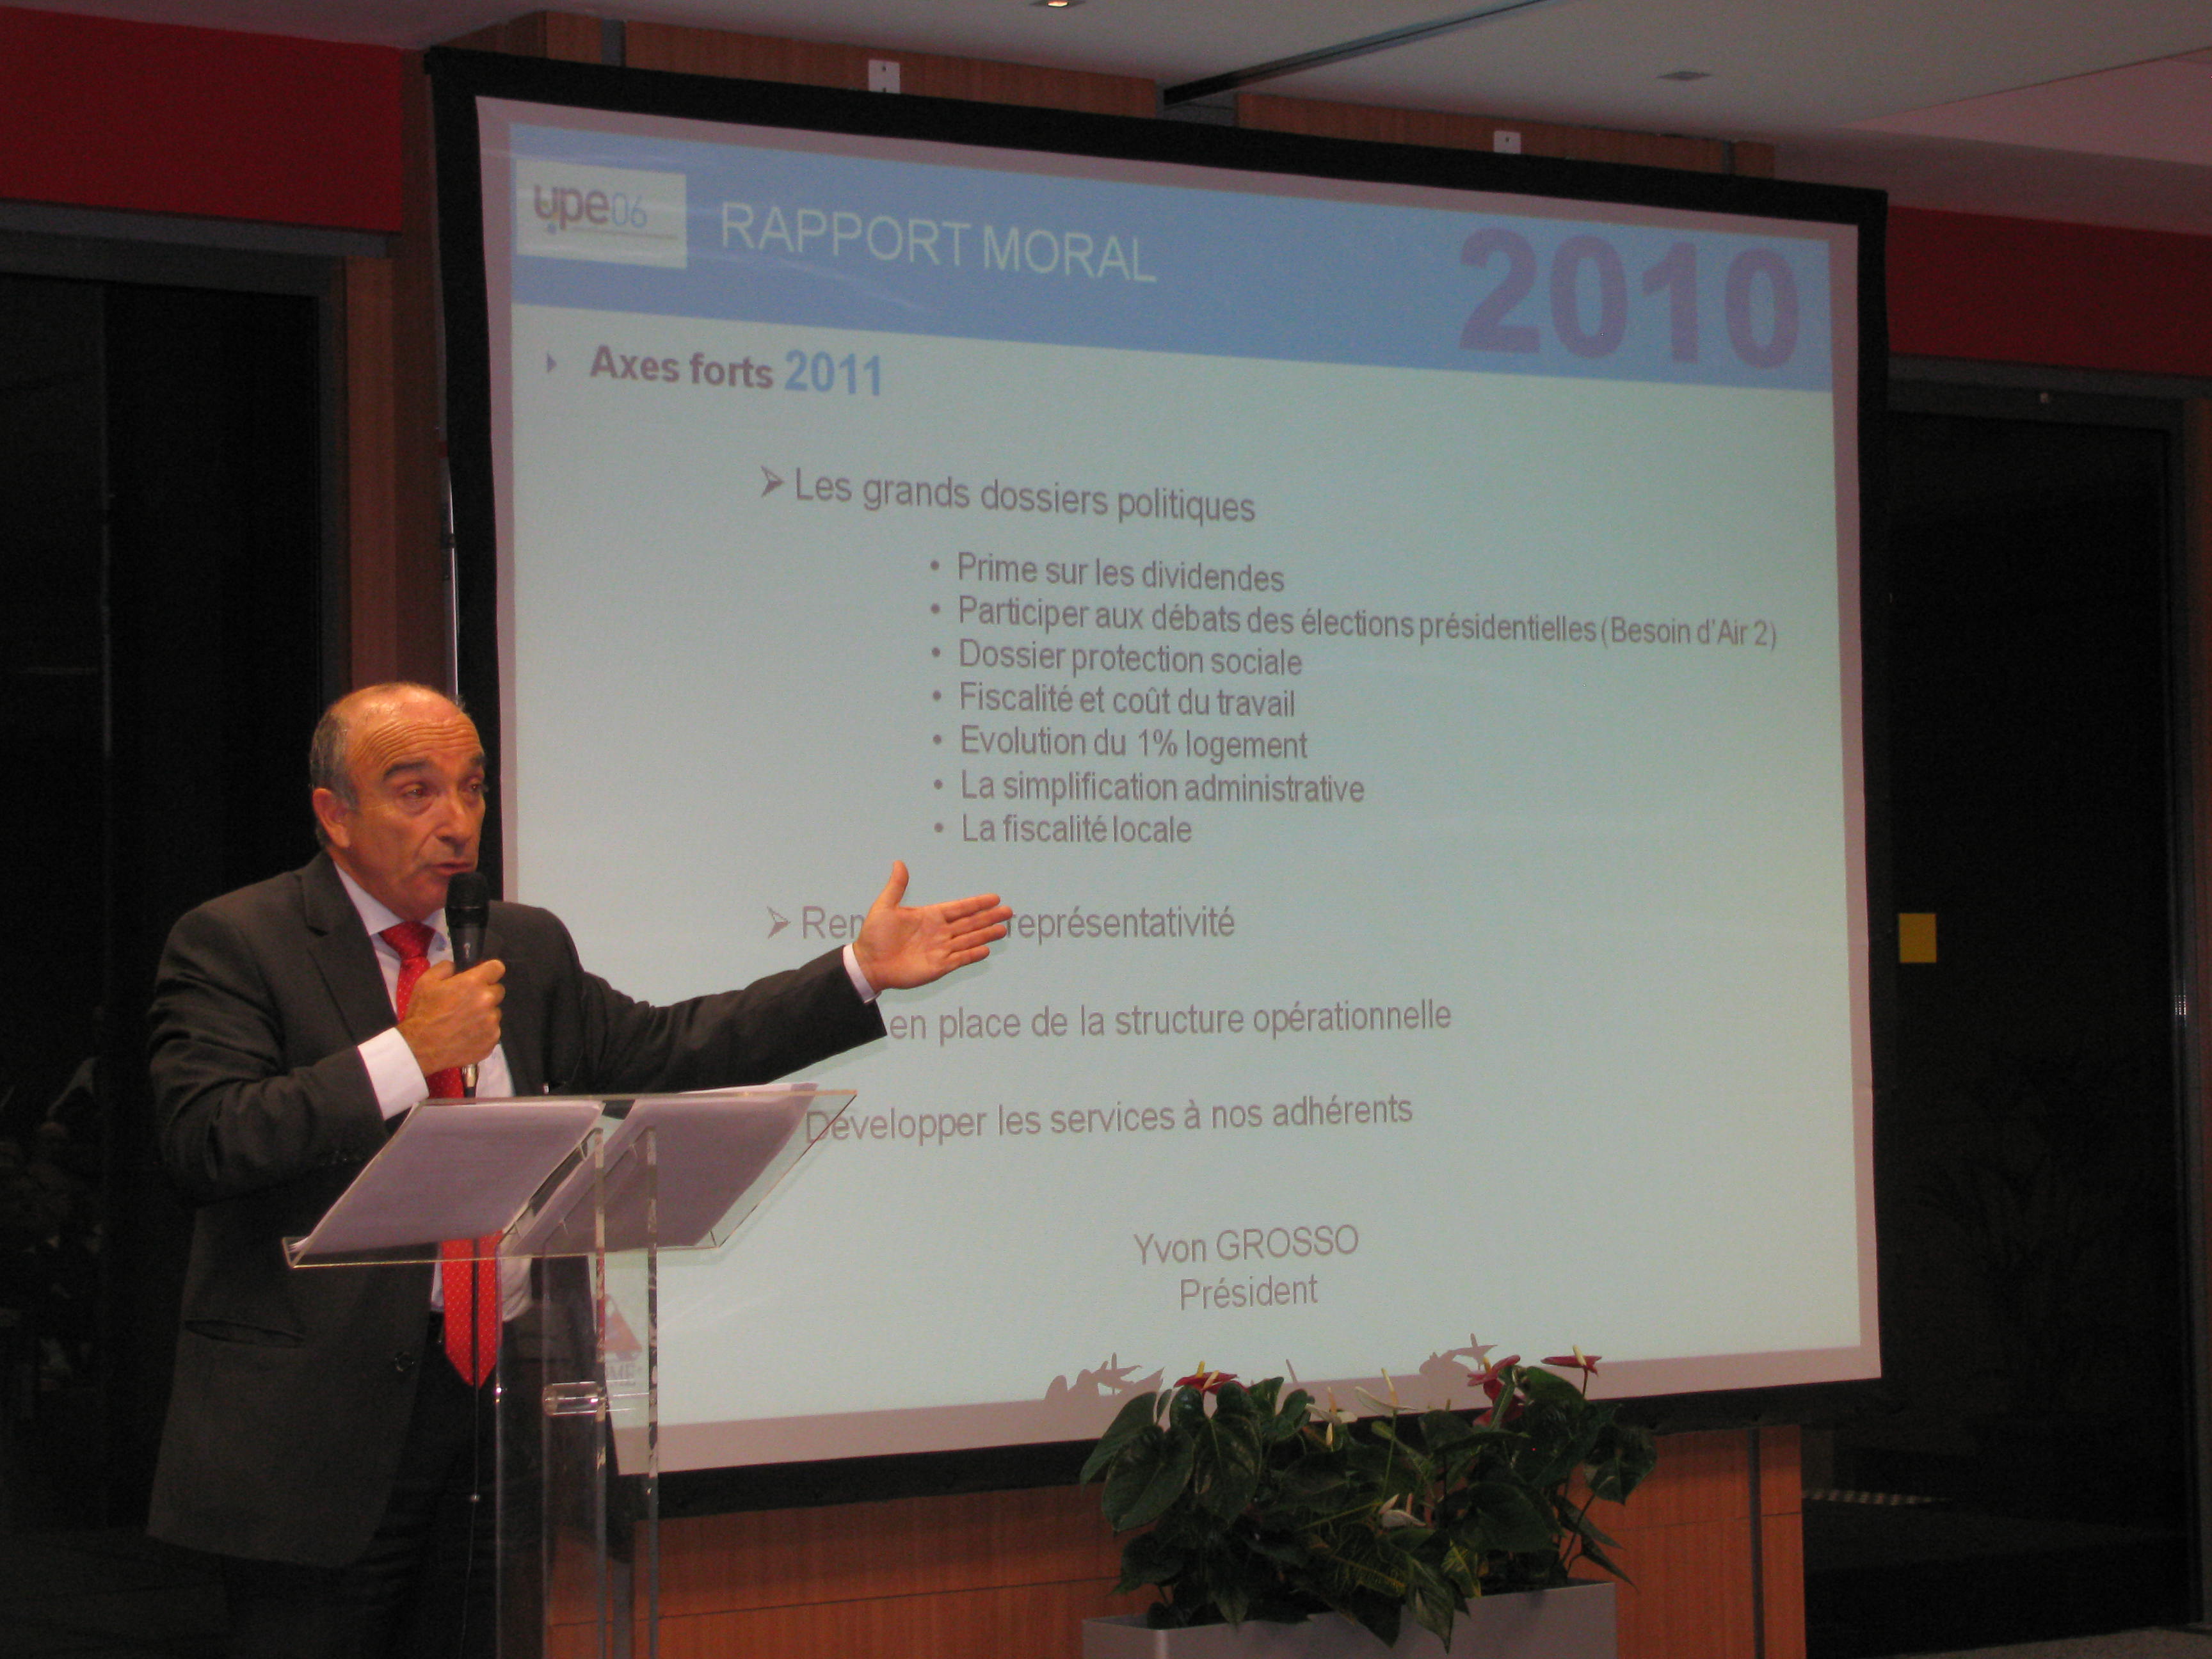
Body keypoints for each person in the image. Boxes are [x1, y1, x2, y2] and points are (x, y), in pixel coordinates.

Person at [146, 682, 1009, 1658]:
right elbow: (206, 1140)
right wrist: (405, 1054)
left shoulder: (522, 944)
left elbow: (667, 1049)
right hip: (318, 1433)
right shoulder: (238, 940)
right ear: (333, 814)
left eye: (473, 788)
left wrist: (855, 971)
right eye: (416, 791)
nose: (456, 821)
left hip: (501, 1404)